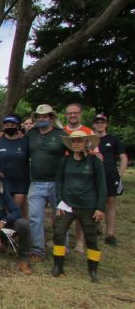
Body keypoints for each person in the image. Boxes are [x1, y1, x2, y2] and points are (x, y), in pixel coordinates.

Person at [52, 131, 106, 283]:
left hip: (88, 206)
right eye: (73, 141)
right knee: (59, 232)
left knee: (91, 238)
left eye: (79, 141)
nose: (76, 143)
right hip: (68, 205)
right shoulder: (65, 160)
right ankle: (58, 266)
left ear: (85, 142)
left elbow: (102, 185)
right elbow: (59, 182)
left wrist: (100, 207)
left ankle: (93, 271)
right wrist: (60, 201)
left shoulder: (95, 161)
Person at [26, 104, 66, 262]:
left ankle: (62, 248)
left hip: (58, 183)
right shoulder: (31, 134)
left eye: (45, 116)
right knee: (35, 217)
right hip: (36, 182)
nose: (42, 119)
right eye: (39, 117)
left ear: (51, 118)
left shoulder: (61, 134)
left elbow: (77, 149)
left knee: (61, 218)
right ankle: (38, 250)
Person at [63, 103, 95, 253]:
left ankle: (80, 242)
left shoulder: (88, 132)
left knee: (81, 210)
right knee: (64, 209)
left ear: (80, 114)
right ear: (66, 115)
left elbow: (95, 153)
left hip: (84, 175)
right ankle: (63, 240)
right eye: (70, 113)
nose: (73, 115)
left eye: (75, 112)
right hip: (65, 173)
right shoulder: (61, 132)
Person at [93, 114, 127, 246]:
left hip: (110, 175)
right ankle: (97, 226)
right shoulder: (90, 140)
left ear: (106, 124)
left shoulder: (113, 140)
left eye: (102, 122)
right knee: (94, 202)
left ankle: (110, 234)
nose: (100, 124)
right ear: (94, 124)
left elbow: (123, 157)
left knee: (110, 203)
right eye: (97, 122)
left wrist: (120, 173)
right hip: (94, 175)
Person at [0, 115, 30, 218]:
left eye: (12, 125)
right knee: (4, 212)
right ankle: (5, 233)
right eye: (7, 125)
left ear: (17, 126)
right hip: (3, 181)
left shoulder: (25, 141)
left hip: (20, 182)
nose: (9, 127)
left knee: (16, 212)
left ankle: (19, 233)